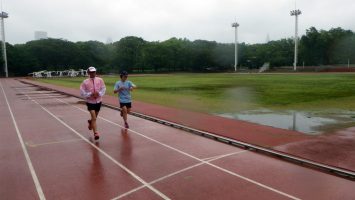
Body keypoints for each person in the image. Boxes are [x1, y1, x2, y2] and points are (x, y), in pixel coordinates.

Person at [80, 66, 106, 140]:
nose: (92, 73)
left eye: (94, 72)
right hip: (90, 102)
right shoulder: (85, 82)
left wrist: (99, 93)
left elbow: (103, 88)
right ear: (88, 72)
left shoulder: (100, 80)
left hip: (98, 101)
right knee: (94, 117)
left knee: (94, 118)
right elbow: (82, 92)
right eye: (91, 72)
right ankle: (96, 133)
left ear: (95, 72)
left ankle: (90, 123)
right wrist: (90, 94)